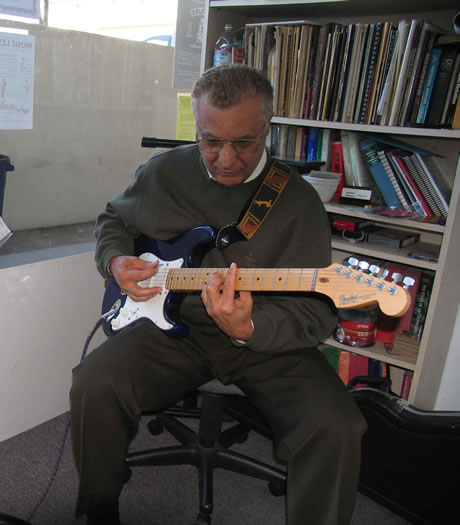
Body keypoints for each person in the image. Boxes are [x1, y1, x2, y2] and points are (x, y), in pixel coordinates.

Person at [69, 65, 367, 525]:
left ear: (267, 129)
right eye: (211, 141)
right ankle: (99, 509)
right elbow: (114, 220)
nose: (226, 159)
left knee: (337, 425)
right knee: (94, 382)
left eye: (244, 142)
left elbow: (315, 309)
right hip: (173, 332)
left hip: (266, 339)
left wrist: (250, 327)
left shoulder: (299, 201)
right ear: (197, 127)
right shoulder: (164, 172)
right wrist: (115, 261)